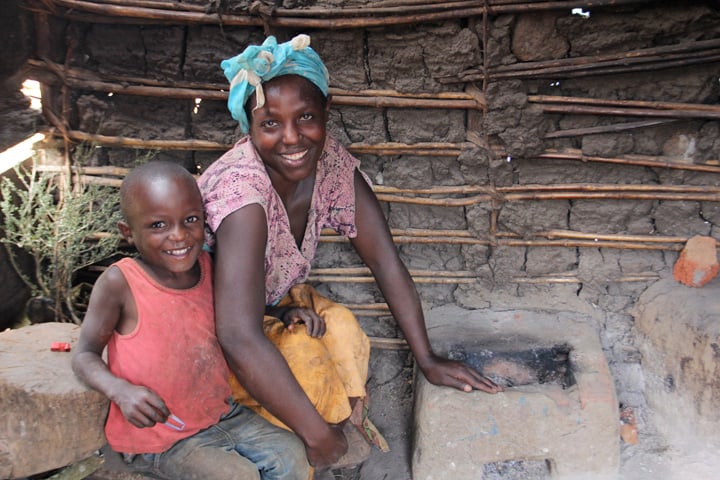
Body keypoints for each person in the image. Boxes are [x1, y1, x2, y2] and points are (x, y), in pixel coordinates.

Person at [198, 34, 501, 470]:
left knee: (338, 327)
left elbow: (384, 260)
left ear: (326, 111)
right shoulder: (242, 194)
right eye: (269, 124)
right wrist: (320, 437)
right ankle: (308, 440)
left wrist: (427, 359)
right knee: (304, 364)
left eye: (305, 117)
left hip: (262, 308)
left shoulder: (330, 164)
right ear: (249, 128)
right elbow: (236, 335)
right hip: (206, 334)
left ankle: (332, 427)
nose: (291, 138)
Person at [72, 161, 311, 480]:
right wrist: (121, 391)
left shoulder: (210, 266)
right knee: (237, 477)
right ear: (128, 233)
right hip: (161, 437)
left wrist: (279, 313)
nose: (179, 236)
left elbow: (236, 306)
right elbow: (84, 354)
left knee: (292, 454)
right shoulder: (121, 284)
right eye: (158, 225)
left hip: (220, 414)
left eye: (190, 220)